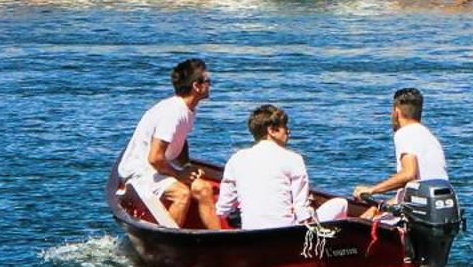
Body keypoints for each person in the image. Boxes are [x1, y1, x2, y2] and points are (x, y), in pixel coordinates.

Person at [117, 58, 220, 229]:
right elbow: (155, 158)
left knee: (204, 189)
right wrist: (178, 175)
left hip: (160, 168)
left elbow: (181, 139)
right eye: (208, 81)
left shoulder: (187, 110)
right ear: (196, 86)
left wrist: (185, 165)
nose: (211, 85)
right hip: (139, 172)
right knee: (182, 194)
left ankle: (221, 242)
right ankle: (166, 244)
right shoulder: (173, 112)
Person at [215, 104, 332, 231]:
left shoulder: (236, 159)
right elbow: (301, 212)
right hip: (285, 234)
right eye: (284, 127)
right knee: (340, 204)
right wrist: (311, 210)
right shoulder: (293, 159)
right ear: (272, 131)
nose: (288, 131)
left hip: (250, 233)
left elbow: (223, 210)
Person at [354, 87, 450, 208]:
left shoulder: (405, 133)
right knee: (372, 212)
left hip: (417, 210)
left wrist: (372, 190)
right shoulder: (430, 137)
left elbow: (409, 174)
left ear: (396, 112)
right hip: (437, 206)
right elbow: (417, 183)